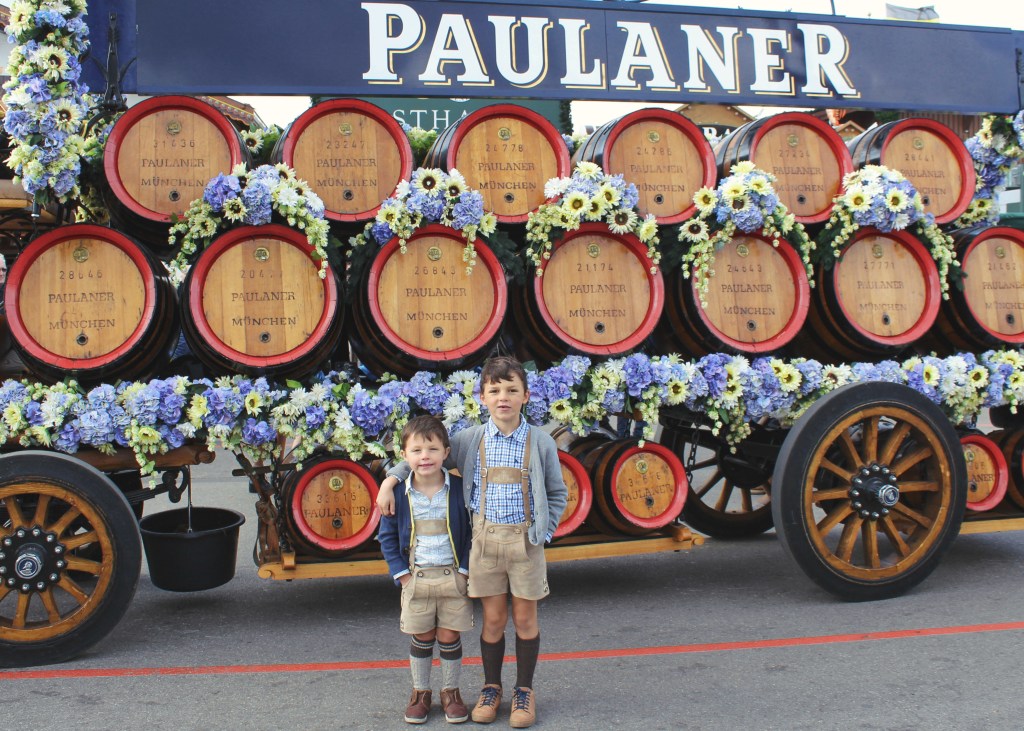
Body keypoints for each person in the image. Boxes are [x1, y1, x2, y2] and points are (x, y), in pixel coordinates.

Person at [378, 356, 568, 729]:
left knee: (526, 619)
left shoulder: (540, 441)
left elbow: (556, 492)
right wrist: (390, 480)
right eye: (494, 391)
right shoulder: (469, 439)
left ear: (525, 396)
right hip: (485, 543)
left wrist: (544, 533)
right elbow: (424, 451)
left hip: (526, 544)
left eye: (512, 390)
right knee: (494, 619)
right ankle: (491, 687)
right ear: (481, 397)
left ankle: (524, 691)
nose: (503, 398)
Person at [378, 414, 474, 725]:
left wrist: (465, 571)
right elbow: (388, 537)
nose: (425, 457)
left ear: (446, 452)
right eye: (417, 450)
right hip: (416, 576)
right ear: (404, 456)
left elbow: (473, 532)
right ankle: (420, 692)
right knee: (422, 633)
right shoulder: (399, 494)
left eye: (432, 449)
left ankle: (451, 691)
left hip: (452, 575)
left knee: (449, 634)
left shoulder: (458, 489)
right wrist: (401, 574)